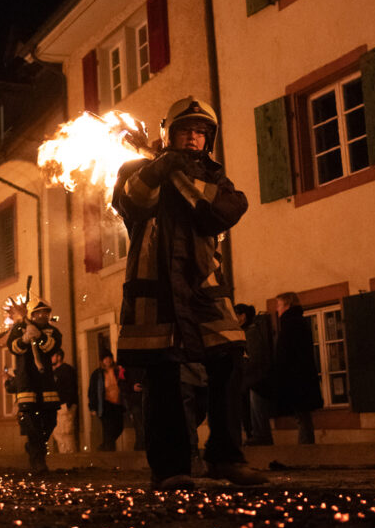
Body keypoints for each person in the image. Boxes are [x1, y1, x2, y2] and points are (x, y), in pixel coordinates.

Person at [113, 95, 266, 489]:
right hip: (155, 290)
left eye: (201, 131)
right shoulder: (137, 169)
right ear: (170, 134)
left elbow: (223, 212)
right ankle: (171, 469)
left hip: (203, 288)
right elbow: (133, 202)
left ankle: (226, 459)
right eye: (186, 130)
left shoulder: (215, 179)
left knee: (229, 357)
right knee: (162, 375)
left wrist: (180, 174)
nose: (194, 137)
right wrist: (161, 168)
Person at [5, 294, 61, 474]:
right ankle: (38, 461)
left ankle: (34, 448)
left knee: (50, 422)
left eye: (45, 312)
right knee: (33, 426)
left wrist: (40, 337)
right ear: (32, 315)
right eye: (38, 313)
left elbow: (51, 348)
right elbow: (12, 347)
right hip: (27, 384)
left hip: (46, 385)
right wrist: (23, 340)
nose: (42, 316)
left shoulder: (53, 332)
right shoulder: (19, 328)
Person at [273, 292, 323, 443]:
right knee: (302, 416)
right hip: (301, 376)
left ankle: (306, 450)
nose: (277, 309)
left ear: (287, 305)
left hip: (297, 377)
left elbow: (286, 353)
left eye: (279, 305)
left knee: (302, 417)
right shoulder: (297, 322)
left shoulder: (291, 324)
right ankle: (306, 447)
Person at [235, 302, 274, 445]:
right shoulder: (249, 332)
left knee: (255, 410)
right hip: (252, 379)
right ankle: (256, 435)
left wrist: (242, 367)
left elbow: (254, 358)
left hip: (254, 380)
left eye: (235, 316)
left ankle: (259, 435)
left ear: (242, 316)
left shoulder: (251, 333)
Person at [88, 353, 125, 451]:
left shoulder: (117, 371)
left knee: (119, 427)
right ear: (102, 360)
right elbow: (92, 391)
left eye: (109, 358)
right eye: (105, 358)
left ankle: (104, 446)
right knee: (108, 429)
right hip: (105, 405)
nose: (107, 360)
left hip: (117, 404)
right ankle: (109, 450)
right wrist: (92, 407)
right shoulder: (97, 374)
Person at [51, 349, 79, 454]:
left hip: (64, 405)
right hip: (59, 405)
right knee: (58, 432)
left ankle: (70, 455)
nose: (51, 358)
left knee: (65, 432)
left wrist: (68, 404)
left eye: (53, 355)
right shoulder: (56, 371)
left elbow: (70, 387)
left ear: (59, 357)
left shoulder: (66, 370)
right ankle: (64, 454)